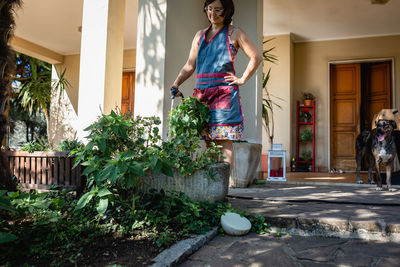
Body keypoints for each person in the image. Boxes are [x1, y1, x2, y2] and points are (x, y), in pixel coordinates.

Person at [170, 0, 262, 172]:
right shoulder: (199, 36)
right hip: (202, 96)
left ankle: (223, 186)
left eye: (218, 9)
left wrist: (242, 79)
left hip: (224, 94)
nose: (212, 13)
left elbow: (256, 57)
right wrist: (176, 83)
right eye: (209, 9)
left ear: (227, 11)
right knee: (208, 140)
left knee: (224, 140)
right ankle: (212, 185)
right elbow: (190, 65)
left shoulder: (235, 33)